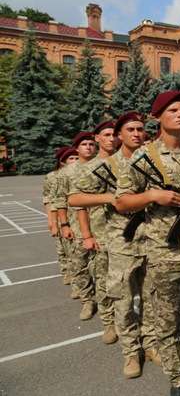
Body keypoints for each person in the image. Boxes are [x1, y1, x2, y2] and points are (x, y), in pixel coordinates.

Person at [115, 90, 180, 396]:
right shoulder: (144, 156)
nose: (179, 114)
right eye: (173, 110)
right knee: (166, 323)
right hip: (163, 255)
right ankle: (177, 380)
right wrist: (151, 195)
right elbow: (122, 202)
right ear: (158, 116)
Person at [104, 112, 161, 378]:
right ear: (119, 135)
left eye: (140, 129)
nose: (137, 133)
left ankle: (150, 344)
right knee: (124, 301)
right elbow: (76, 196)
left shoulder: (153, 160)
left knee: (151, 297)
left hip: (152, 238)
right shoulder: (108, 164)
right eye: (130, 129)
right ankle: (130, 352)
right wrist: (111, 197)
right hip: (122, 242)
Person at [68, 120, 119, 345]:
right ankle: (108, 322)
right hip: (101, 232)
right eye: (106, 134)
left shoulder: (126, 162)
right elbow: (79, 204)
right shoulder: (90, 167)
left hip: (125, 233)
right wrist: (87, 235)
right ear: (97, 138)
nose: (111, 138)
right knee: (103, 280)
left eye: (114, 134)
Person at [55, 132, 98, 320]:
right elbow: (60, 201)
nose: (88, 147)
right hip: (76, 226)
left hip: (101, 225)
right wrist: (64, 224)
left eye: (91, 144)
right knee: (80, 265)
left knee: (102, 267)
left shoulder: (102, 166)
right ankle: (87, 300)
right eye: (84, 144)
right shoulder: (67, 172)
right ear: (77, 148)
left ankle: (107, 307)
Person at [44, 147, 74, 286]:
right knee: (63, 248)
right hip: (62, 216)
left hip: (76, 217)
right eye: (71, 158)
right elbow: (49, 200)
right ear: (62, 162)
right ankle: (66, 271)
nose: (74, 161)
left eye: (76, 158)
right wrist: (52, 222)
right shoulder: (53, 177)